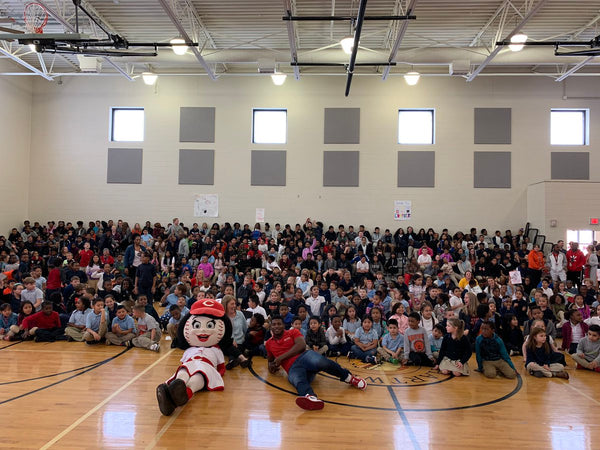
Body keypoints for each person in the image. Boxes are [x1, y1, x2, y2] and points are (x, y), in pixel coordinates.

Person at [265, 315, 367, 411]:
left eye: (279, 324)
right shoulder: (269, 343)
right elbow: (270, 361)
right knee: (298, 381)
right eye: (274, 324)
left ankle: (350, 378)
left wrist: (281, 358)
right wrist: (272, 367)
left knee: (322, 362)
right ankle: (310, 397)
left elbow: (301, 345)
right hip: (292, 368)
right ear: (271, 326)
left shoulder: (293, 333)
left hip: (304, 357)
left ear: (284, 325)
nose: (276, 326)